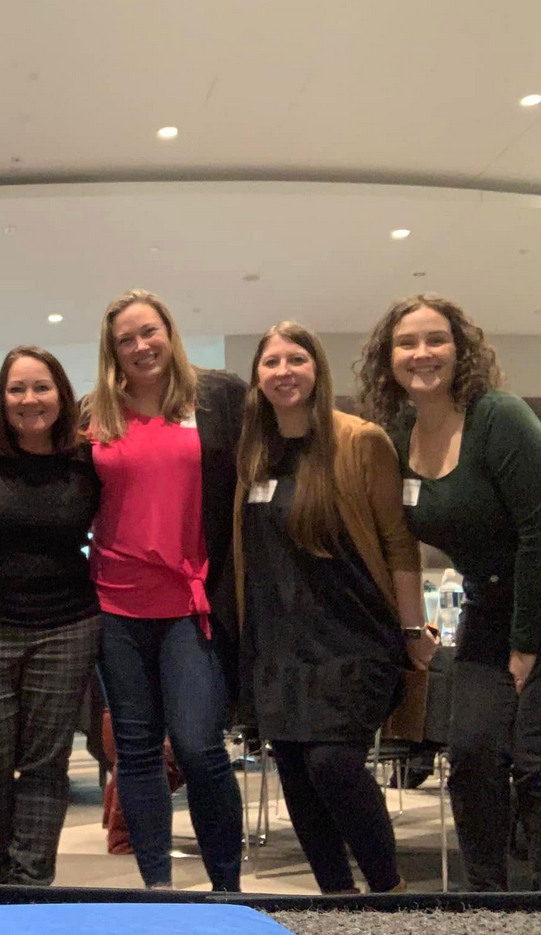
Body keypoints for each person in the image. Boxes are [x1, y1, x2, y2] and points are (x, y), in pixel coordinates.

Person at [235, 321, 429, 895]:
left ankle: (389, 894)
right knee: (295, 773)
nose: (284, 371)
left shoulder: (360, 441)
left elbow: (398, 543)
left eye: (296, 359)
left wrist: (412, 628)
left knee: (332, 764)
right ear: (257, 376)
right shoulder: (254, 453)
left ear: (317, 368)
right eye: (271, 362)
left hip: (353, 639)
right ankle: (337, 900)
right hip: (278, 643)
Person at [357, 293, 541, 891]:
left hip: (535, 599)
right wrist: (410, 627)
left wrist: (526, 645)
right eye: (406, 343)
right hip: (488, 607)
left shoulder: (498, 417)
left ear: (460, 350)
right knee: (473, 759)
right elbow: (395, 541)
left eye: (436, 339)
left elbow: (538, 531)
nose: (422, 353)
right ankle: (488, 904)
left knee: (534, 764)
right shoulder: (398, 435)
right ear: (388, 359)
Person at [83, 288, 245, 892]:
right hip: (114, 602)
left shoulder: (216, 399)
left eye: (149, 331)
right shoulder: (93, 413)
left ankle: (226, 889)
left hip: (190, 604)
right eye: (125, 339)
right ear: (112, 351)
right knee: (137, 751)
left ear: (170, 333)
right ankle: (158, 889)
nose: (140, 346)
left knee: (200, 747)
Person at [0, 346, 101, 885]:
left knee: (45, 761)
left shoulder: (88, 458)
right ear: (1, 397)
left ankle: (31, 881)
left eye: (42, 387)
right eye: (17, 388)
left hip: (67, 625)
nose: (29, 399)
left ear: (62, 394)